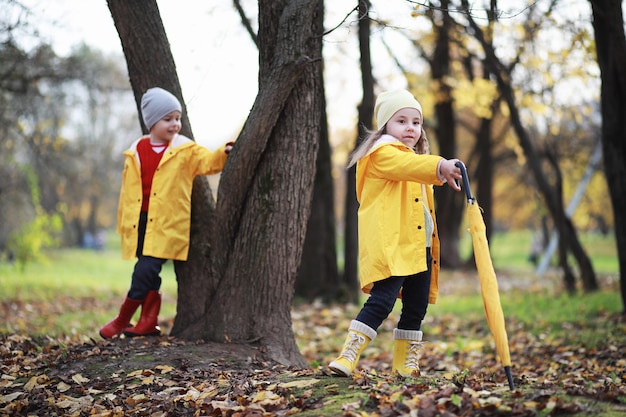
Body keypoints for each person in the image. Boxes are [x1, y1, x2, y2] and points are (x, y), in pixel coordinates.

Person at [329, 89, 463, 377]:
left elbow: (416, 180)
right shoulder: (380, 155)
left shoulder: (416, 159)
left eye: (416, 122)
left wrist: (434, 169)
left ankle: (405, 367)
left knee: (416, 307)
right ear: (385, 126)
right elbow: (408, 165)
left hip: (420, 247)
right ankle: (347, 355)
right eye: (401, 121)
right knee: (382, 301)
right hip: (394, 245)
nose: (410, 128)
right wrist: (440, 166)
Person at [100, 87, 234, 339]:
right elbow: (127, 193)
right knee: (149, 273)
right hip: (138, 222)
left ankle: (121, 320)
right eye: (168, 119)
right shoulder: (136, 150)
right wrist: (122, 223)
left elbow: (207, 162)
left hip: (166, 223)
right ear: (152, 122)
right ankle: (148, 323)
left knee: (145, 270)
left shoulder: (184, 150)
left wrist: (223, 152)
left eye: (177, 118)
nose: (175, 124)